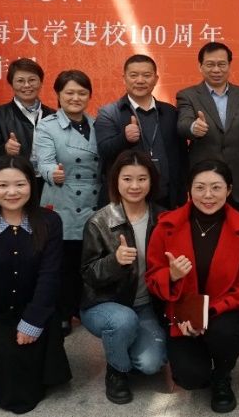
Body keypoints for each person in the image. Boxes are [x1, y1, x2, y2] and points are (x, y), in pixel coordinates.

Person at [0, 156, 71, 414]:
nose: (12, 192)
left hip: (32, 308)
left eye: (20, 184)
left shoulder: (50, 222)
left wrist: (32, 322)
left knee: (52, 375)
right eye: (2, 185)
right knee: (18, 398)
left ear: (31, 185)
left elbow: (50, 276)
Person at [145, 160, 239, 413]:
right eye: (199, 187)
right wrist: (171, 276)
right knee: (190, 378)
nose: (208, 195)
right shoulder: (166, 226)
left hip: (225, 312)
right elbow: (152, 280)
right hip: (180, 314)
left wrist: (207, 314)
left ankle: (222, 375)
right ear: (189, 190)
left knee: (224, 333)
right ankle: (202, 358)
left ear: (229, 190)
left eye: (216, 187)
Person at [79, 150, 168, 404]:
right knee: (123, 321)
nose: (135, 186)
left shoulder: (163, 218)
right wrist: (114, 261)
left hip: (145, 305)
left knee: (151, 364)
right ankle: (116, 370)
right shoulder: (99, 221)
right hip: (103, 304)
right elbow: (88, 274)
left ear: (152, 181)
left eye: (142, 179)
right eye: (127, 179)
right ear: (116, 181)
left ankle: (123, 345)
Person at [33, 70, 101, 334]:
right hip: (63, 200)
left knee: (87, 259)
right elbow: (43, 162)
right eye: (69, 92)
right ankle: (62, 312)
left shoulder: (97, 124)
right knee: (63, 263)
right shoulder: (47, 126)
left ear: (89, 95)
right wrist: (52, 173)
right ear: (58, 95)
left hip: (94, 201)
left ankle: (81, 308)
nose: (76, 98)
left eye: (82, 93)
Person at [177, 42, 239, 216]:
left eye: (221, 64)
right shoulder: (187, 95)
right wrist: (194, 127)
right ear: (200, 66)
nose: (216, 69)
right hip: (204, 181)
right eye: (210, 64)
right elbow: (183, 123)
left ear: (229, 65)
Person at [95, 54, 186, 209]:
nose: (140, 80)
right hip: (125, 201)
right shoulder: (109, 113)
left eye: (147, 75)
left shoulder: (170, 112)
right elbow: (103, 150)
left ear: (156, 79)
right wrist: (124, 138)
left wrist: (181, 195)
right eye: (134, 75)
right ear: (124, 79)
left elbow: (181, 156)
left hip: (165, 199)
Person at [0, 58, 56, 188]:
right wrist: (5, 149)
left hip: (47, 183)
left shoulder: (53, 115)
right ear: (11, 84)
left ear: (41, 82)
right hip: (15, 182)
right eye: (20, 81)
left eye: (32, 80)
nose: (27, 85)